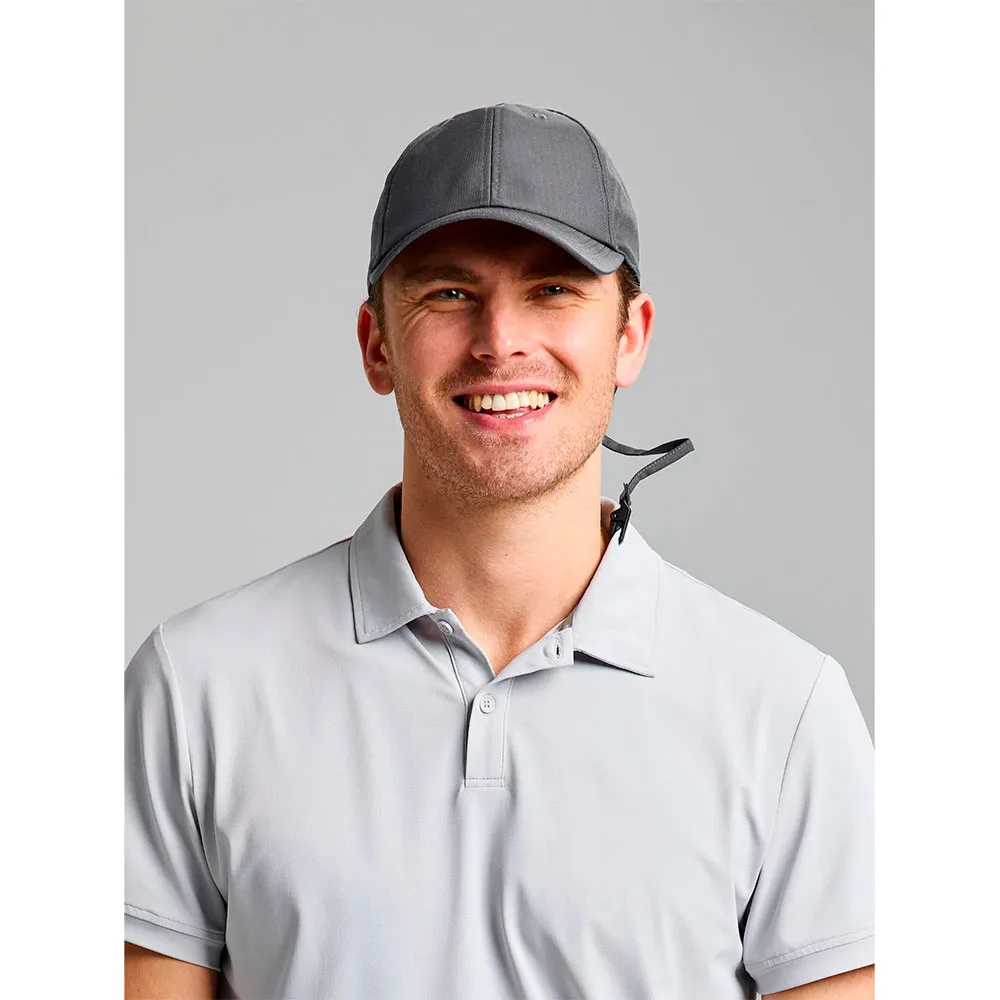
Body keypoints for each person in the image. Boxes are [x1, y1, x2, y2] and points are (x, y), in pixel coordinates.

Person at [125, 103, 874, 999]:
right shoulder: (195, 689)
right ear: (376, 345)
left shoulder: (784, 710)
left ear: (630, 337)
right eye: (449, 293)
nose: (500, 342)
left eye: (553, 289)